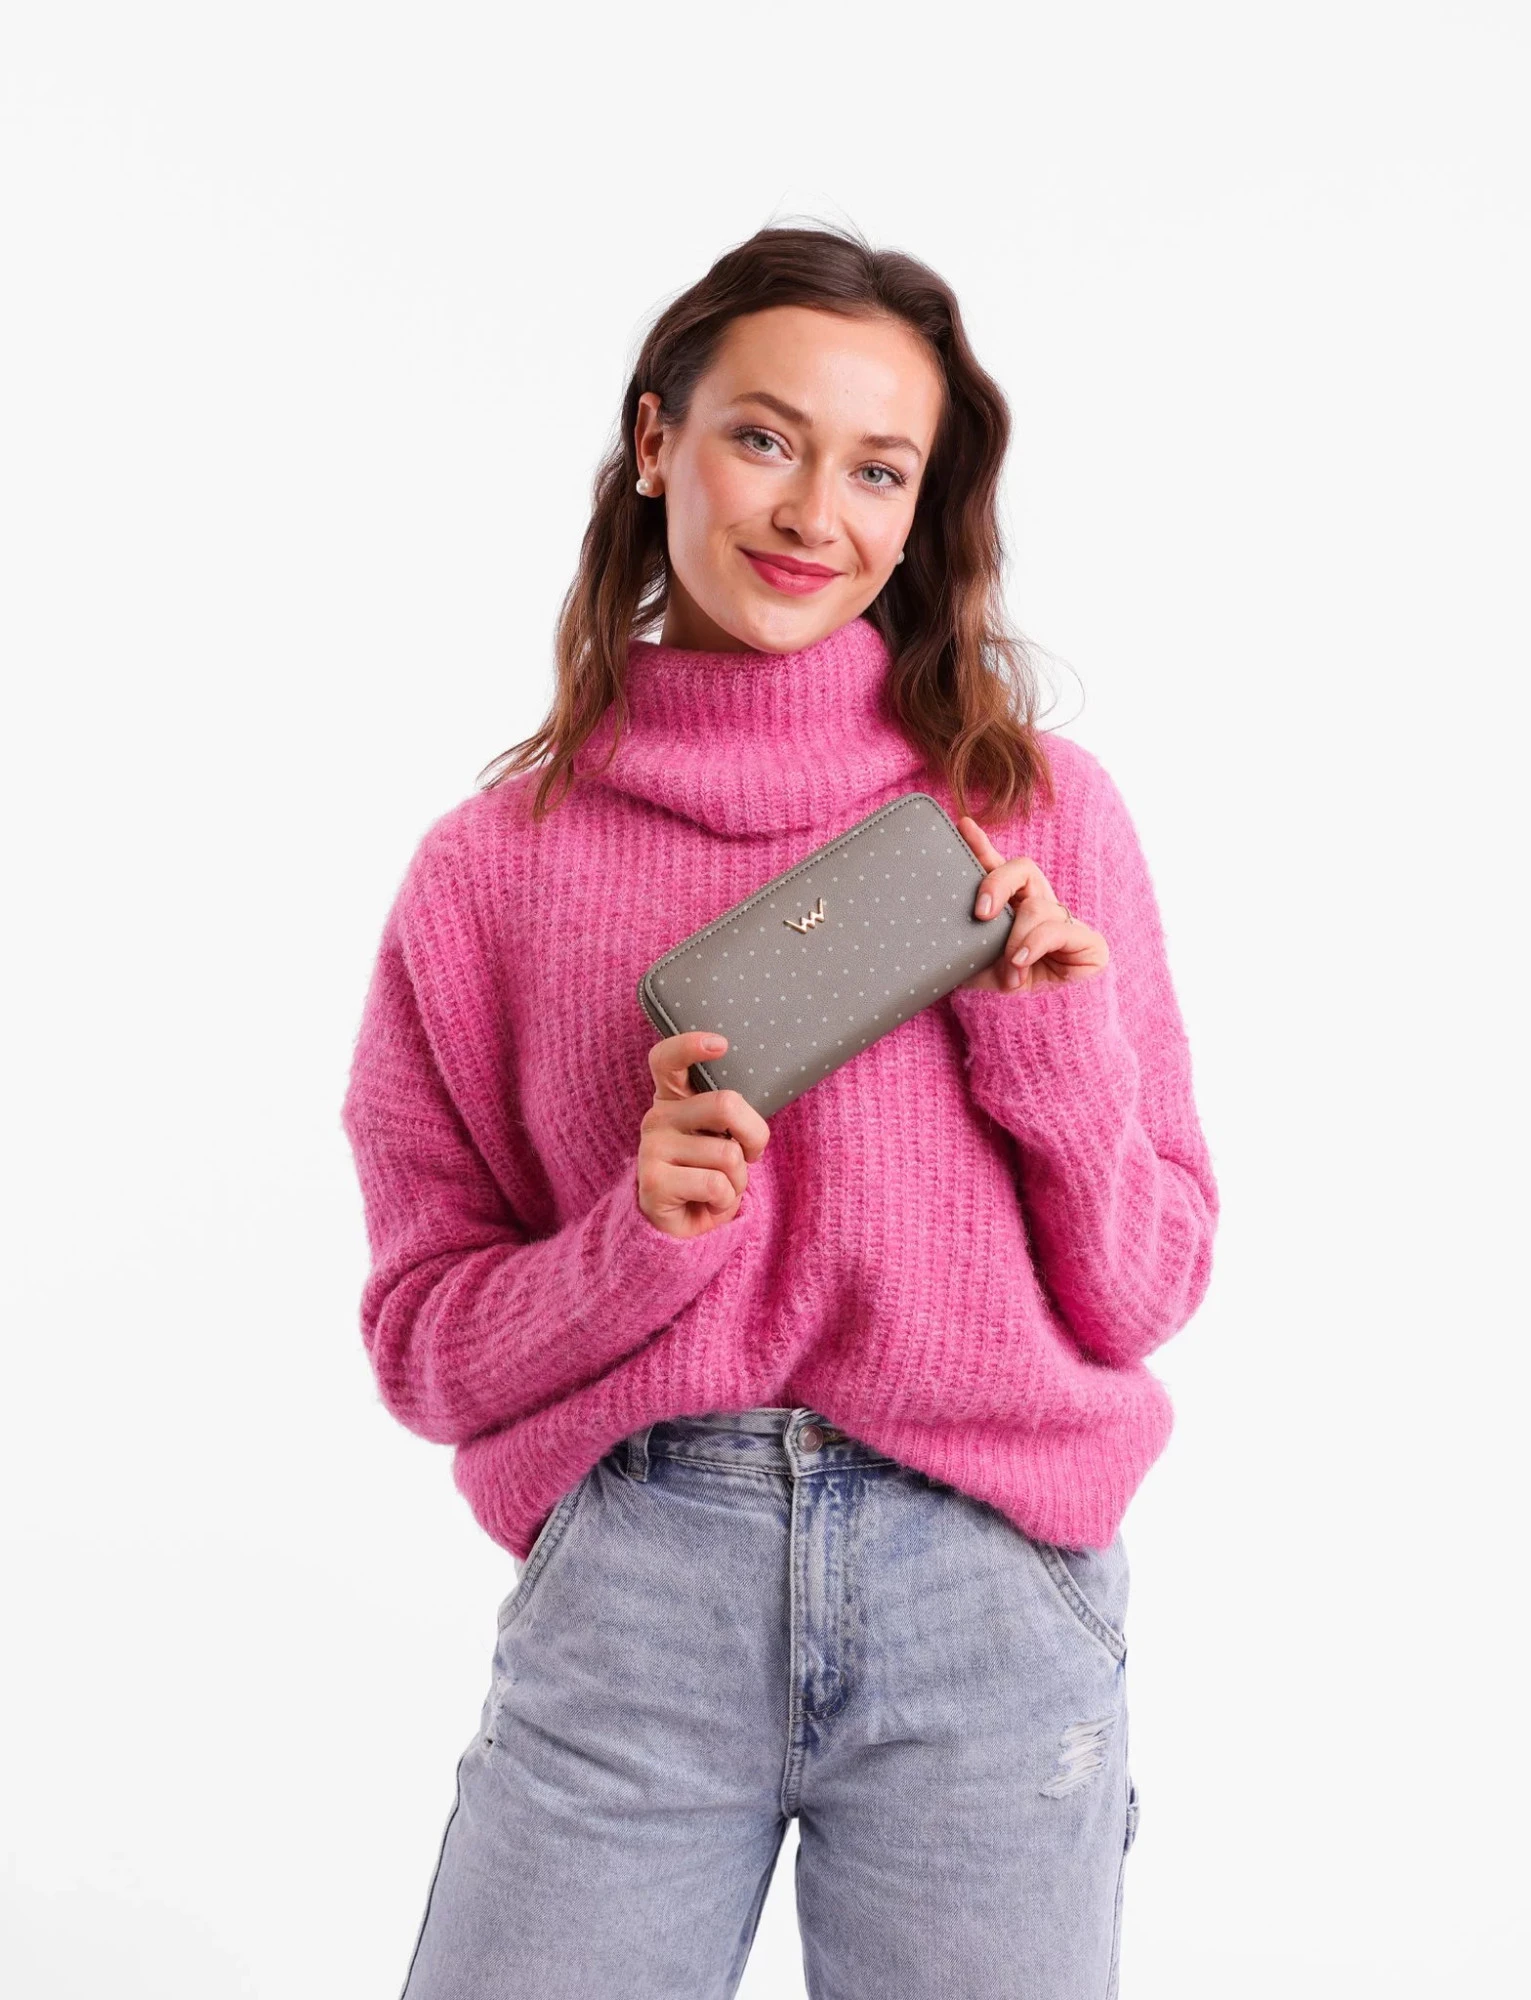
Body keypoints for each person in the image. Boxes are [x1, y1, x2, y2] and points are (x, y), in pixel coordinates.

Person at [340, 221, 1220, 2000]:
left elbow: (1146, 1289)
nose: (815, 511)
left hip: (989, 1589)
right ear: (653, 439)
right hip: (639, 1590)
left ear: (921, 509)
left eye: (878, 468)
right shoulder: (489, 871)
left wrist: (1051, 1054)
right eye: (764, 437)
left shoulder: (1034, 810)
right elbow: (425, 1351)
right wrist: (637, 1238)